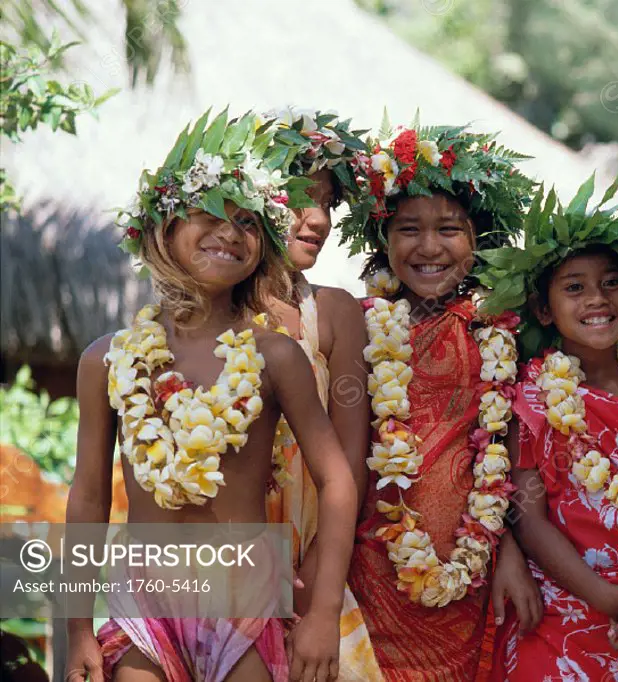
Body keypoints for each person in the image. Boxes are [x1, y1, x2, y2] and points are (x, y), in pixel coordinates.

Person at [65, 110, 359, 682]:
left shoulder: (276, 357)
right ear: (162, 227)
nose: (231, 231)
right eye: (211, 212)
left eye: (250, 222)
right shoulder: (106, 359)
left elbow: (337, 481)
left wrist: (323, 611)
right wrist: (78, 627)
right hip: (143, 603)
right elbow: (88, 498)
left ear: (264, 246)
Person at [337, 116, 542, 681]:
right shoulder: (356, 327)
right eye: (408, 229)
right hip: (369, 573)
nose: (429, 247)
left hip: (474, 573)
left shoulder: (505, 333)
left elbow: (515, 460)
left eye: (449, 228)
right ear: (383, 239)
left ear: (482, 239)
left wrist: (509, 556)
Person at [477, 175, 618, 680]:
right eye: (574, 288)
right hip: (559, 606)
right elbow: (528, 517)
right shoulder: (528, 396)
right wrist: (601, 594)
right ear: (543, 309)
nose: (596, 299)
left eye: (611, 283)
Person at [257, 107, 385, 681]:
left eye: (328, 203)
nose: (318, 219)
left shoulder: (330, 313)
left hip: (314, 564)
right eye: (298, 199)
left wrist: (322, 595)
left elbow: (349, 463)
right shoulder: (199, 317)